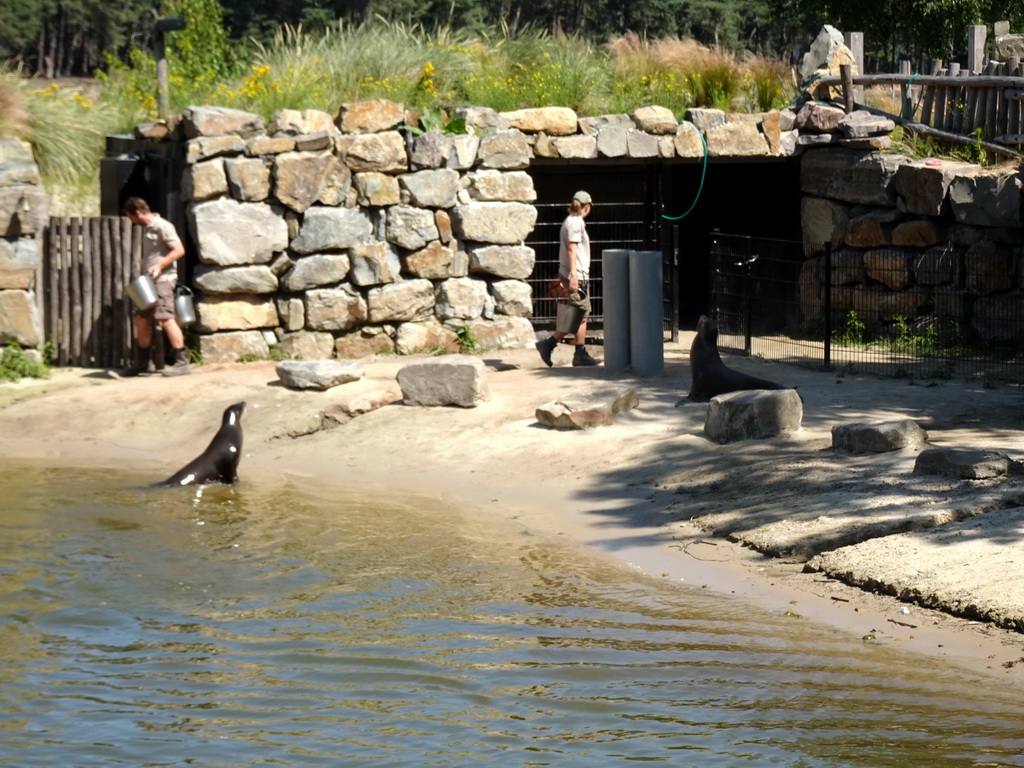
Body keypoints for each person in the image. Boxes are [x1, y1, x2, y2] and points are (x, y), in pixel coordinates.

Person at [121, 197, 192, 377]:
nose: (131, 221)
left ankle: (182, 362)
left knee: (165, 317)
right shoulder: (147, 229)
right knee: (140, 317)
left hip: (164, 279)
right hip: (150, 281)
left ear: (137, 213)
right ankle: (144, 363)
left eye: (130, 217)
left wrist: (160, 266)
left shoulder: (163, 226)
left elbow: (179, 250)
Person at [536, 190, 600, 367]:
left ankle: (576, 351)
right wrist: (574, 275)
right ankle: (553, 345)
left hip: (575, 274)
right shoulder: (576, 223)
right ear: (587, 207)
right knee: (581, 312)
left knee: (579, 313)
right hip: (576, 275)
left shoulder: (570, 221)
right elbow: (572, 249)